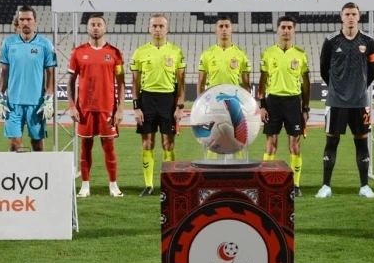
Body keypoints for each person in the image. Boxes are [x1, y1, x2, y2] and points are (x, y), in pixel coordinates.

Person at [316, 2, 374, 199]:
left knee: (362, 144)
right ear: (341, 17)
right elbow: (324, 69)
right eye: (347, 14)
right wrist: (337, 88)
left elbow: (372, 71)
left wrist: (359, 88)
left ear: (359, 17)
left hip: (360, 103)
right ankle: (326, 186)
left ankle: (365, 186)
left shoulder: (369, 41)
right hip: (336, 102)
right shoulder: (331, 41)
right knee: (331, 143)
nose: (350, 17)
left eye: (354, 14)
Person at [68, 14, 125, 198]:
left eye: (99, 24)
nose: (95, 27)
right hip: (85, 109)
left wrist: (120, 109)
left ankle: (113, 185)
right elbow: (71, 81)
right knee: (85, 146)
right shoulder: (78, 52)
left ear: (105, 28)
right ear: (87, 28)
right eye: (92, 24)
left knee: (109, 147)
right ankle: (85, 186)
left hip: (107, 108)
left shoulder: (115, 53)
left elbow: (121, 82)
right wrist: (72, 105)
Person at [130, 14, 185, 196]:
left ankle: (169, 185)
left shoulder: (176, 52)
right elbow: (135, 82)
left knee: (168, 144)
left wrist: (180, 107)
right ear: (149, 28)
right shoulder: (140, 52)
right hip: (147, 100)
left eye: (161, 26)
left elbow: (181, 83)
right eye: (154, 26)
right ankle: (149, 185)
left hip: (168, 100)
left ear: (167, 29)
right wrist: (136, 107)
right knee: (147, 143)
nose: (158, 29)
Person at [259, 15, 310, 197]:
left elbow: (306, 83)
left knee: (294, 145)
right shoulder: (268, 53)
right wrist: (262, 105)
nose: (286, 30)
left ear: (294, 30)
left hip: (293, 102)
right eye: (283, 27)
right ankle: (266, 182)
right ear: (278, 30)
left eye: (289, 27)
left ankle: (295, 185)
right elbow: (262, 82)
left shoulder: (301, 54)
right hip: (273, 102)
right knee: (271, 144)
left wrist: (305, 109)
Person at [0, 5, 57, 152]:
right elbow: (4, 72)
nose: (25, 23)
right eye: (22, 19)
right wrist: (0, 96)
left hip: (36, 104)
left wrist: (49, 98)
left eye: (28, 19)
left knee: (37, 143)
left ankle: (39, 168)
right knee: (14, 144)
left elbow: (51, 74)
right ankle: (17, 168)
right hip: (13, 104)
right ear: (18, 21)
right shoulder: (8, 43)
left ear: (35, 20)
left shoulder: (45, 44)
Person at [197, 14, 252, 159]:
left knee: (238, 139)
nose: (224, 29)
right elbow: (201, 83)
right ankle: (211, 170)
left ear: (232, 29)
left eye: (227, 26)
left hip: (234, 102)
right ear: (215, 30)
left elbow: (246, 84)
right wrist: (199, 105)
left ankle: (240, 170)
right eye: (221, 26)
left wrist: (246, 105)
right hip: (213, 102)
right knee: (212, 138)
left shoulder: (241, 54)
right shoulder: (207, 54)